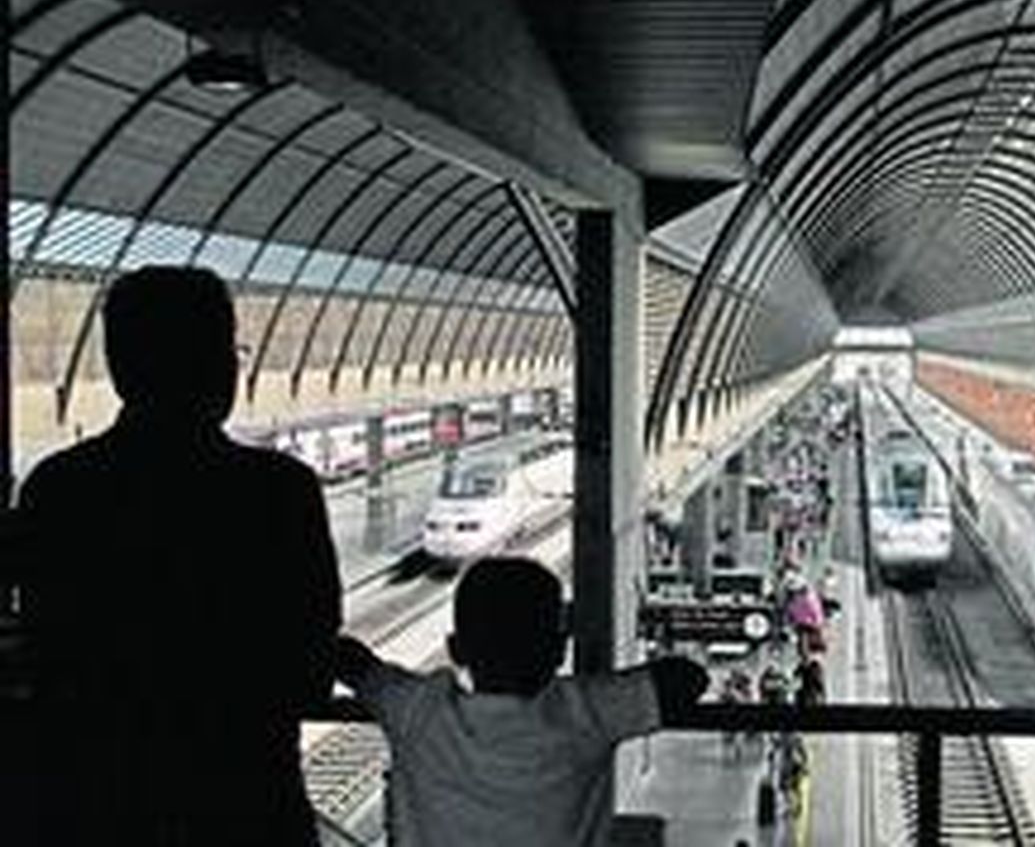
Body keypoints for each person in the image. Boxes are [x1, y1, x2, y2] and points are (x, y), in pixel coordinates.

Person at [17, 266, 341, 845]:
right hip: (247, 808)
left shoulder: (57, 489)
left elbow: (46, 653)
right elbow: (311, 672)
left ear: (119, 367)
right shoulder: (279, 492)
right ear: (220, 365)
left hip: (95, 809)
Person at [334, 558, 708, 847]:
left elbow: (348, 659)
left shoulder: (416, 709)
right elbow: (687, 679)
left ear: (455, 649)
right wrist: (600, 685)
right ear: (558, 650)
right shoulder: (587, 712)